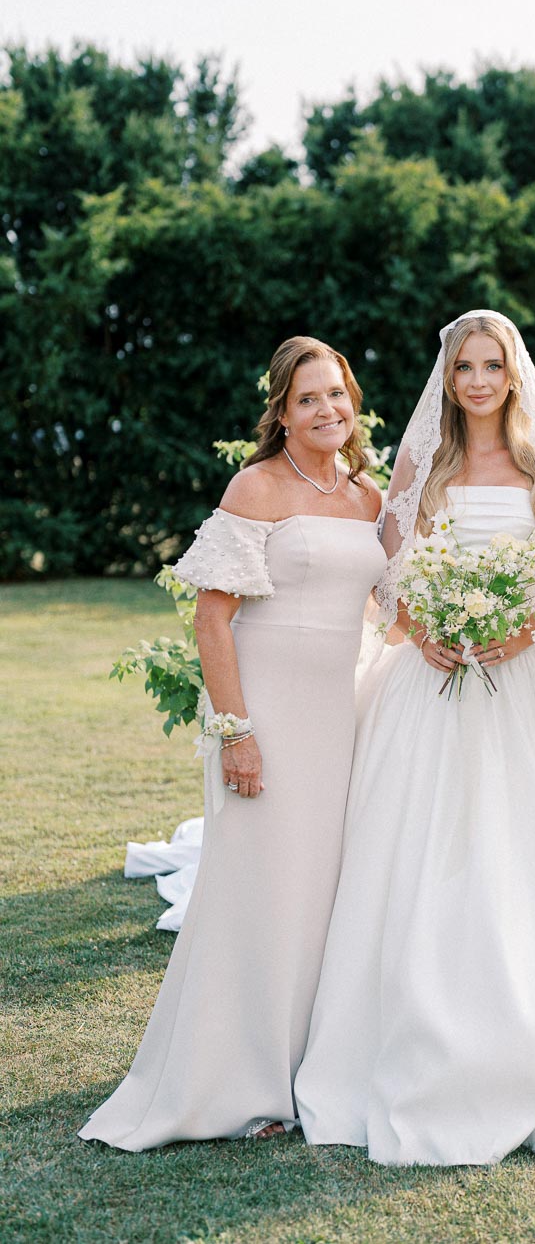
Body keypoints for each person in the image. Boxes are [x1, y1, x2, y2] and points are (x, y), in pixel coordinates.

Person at [293, 310, 535, 1165]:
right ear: (448, 375)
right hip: (431, 674)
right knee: (419, 849)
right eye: (463, 366)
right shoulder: (423, 462)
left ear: (512, 373)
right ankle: (411, 1029)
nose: (476, 381)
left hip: (524, 682)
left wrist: (527, 627)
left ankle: (528, 1025)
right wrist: (421, 624)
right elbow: (388, 562)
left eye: (491, 365)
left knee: (523, 848)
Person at [79, 336, 385, 1150]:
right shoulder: (256, 486)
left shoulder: (368, 498)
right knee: (260, 894)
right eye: (308, 398)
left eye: (336, 394)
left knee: (321, 897)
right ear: (281, 413)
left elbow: (396, 605)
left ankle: (304, 1068)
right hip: (267, 715)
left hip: (341, 717)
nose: (327, 410)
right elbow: (213, 616)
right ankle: (238, 1080)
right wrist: (236, 733)